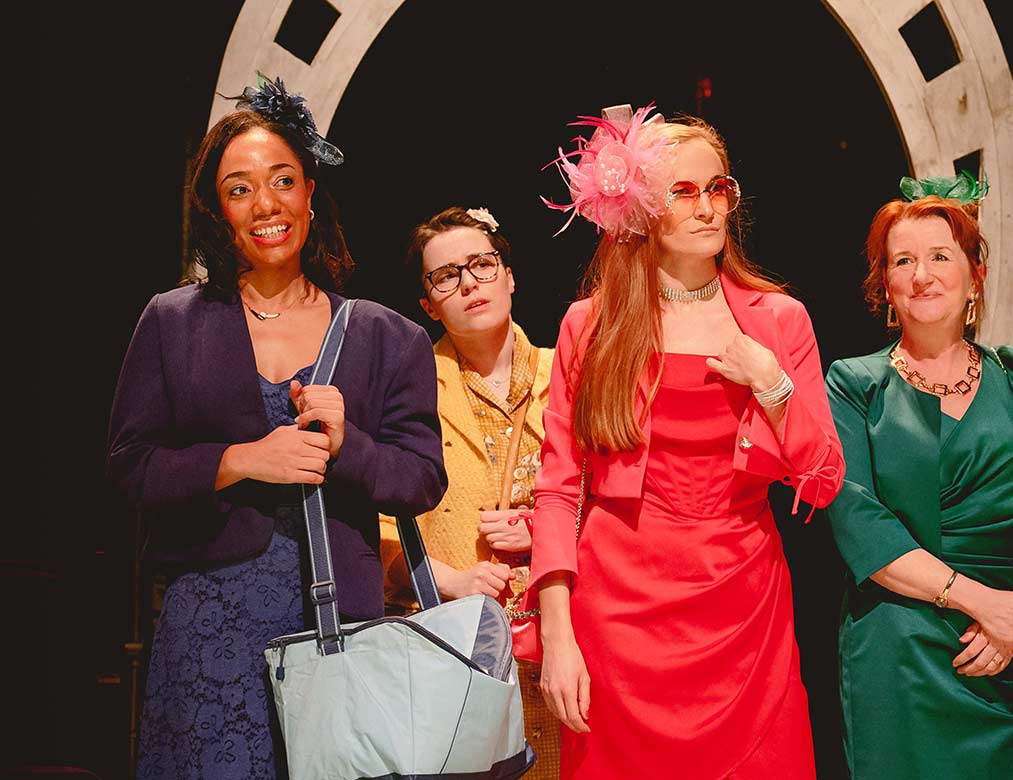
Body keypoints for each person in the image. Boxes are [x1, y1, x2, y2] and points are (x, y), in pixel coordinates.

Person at [107, 77, 447, 780]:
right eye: (240, 189)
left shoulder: (390, 337)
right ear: (217, 210)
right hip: (207, 639)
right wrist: (238, 459)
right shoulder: (170, 322)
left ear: (311, 193)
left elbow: (421, 480)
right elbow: (130, 467)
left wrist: (347, 446)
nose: (266, 205)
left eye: (282, 180)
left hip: (339, 635)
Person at [530, 103, 846, 780]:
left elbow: (822, 482)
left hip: (744, 613)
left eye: (719, 188)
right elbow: (558, 489)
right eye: (685, 191)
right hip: (619, 619)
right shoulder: (593, 325)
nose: (708, 207)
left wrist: (775, 388)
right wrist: (557, 635)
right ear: (643, 207)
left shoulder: (778, 319)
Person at [823, 172, 1013, 780]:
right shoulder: (855, 384)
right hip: (903, 650)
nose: (922, 275)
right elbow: (861, 523)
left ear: (975, 276)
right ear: (884, 286)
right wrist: (982, 605)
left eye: (940, 256)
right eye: (903, 261)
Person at [378, 205, 560, 777]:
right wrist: (447, 578)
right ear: (428, 304)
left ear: (510, 275)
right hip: (454, 654)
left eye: (482, 264)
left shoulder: (570, 374)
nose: (469, 284)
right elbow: (375, 530)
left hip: (563, 643)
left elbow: (618, 503)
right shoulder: (404, 394)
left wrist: (545, 529)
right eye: (445, 275)